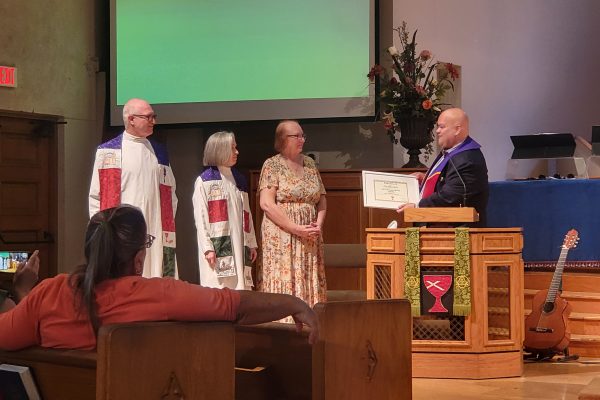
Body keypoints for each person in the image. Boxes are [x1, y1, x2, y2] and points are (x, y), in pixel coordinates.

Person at [0, 205, 318, 351]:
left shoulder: (51, 291)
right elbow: (235, 306)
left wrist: (22, 293)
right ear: (138, 258)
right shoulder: (156, 295)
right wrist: (293, 302)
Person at [89, 98, 178, 278]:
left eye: (154, 116)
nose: (154, 121)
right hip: (123, 233)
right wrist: (103, 230)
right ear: (131, 119)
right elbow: (96, 196)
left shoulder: (159, 153)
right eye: (148, 117)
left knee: (156, 278)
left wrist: (163, 224)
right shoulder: (108, 152)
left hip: (155, 228)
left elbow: (171, 194)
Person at [258, 120, 327, 322]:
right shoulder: (272, 165)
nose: (301, 139)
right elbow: (267, 204)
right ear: (282, 140)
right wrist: (296, 228)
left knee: (307, 278)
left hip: (309, 237)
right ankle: (284, 328)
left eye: (302, 135)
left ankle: (311, 328)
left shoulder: (310, 163)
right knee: (286, 280)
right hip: (282, 237)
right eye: (296, 136)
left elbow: (322, 199)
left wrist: (318, 224)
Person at [397, 108, 489, 227]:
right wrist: (427, 179)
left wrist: (417, 205)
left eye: (442, 127)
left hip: (458, 233)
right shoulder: (453, 151)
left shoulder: (467, 159)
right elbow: (451, 181)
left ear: (457, 129)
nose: (437, 131)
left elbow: (450, 196)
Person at [193, 131, 258, 289]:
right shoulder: (205, 181)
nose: (237, 152)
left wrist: (251, 243)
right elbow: (200, 218)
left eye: (236, 147)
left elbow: (247, 213)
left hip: (239, 241)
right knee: (220, 288)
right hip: (218, 248)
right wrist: (208, 247)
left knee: (240, 287)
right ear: (219, 150)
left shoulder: (239, 179)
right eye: (232, 148)